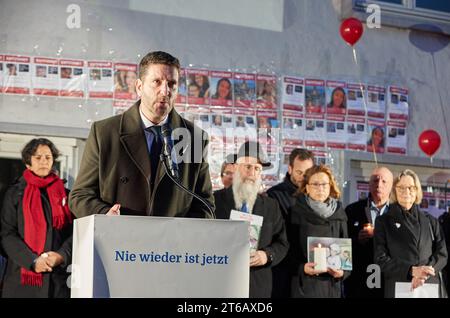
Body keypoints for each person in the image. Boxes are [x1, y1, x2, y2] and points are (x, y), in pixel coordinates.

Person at [69, 51, 214, 218]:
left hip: (171, 242)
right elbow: (79, 196)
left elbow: (205, 204)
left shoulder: (194, 138)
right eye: (157, 82)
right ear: (139, 87)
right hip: (119, 237)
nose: (165, 91)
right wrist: (105, 214)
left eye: (172, 83)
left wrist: (180, 235)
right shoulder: (105, 132)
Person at [214, 141, 289, 298]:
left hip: (257, 287)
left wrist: (266, 255)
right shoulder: (215, 201)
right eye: (247, 166)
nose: (252, 173)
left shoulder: (271, 206)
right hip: (222, 283)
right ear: (235, 167)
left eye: (257, 168)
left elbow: (282, 243)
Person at [0, 138, 73, 298]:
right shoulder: (15, 194)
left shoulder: (65, 195)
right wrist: (33, 262)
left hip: (57, 281)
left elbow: (75, 233)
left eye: (48, 157)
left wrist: (62, 256)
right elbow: (7, 234)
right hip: (22, 279)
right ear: (28, 163)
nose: (43, 161)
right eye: (38, 157)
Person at [374, 169, 448, 298]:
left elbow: (442, 254)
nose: (406, 192)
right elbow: (381, 259)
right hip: (400, 288)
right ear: (395, 191)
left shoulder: (431, 221)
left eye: (411, 187)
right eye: (401, 187)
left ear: (417, 190)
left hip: (428, 288)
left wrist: (423, 274)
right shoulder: (383, 221)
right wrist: (412, 271)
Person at [290, 164, 349, 298]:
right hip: (305, 287)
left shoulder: (340, 214)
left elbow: (347, 253)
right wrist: (302, 268)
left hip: (332, 288)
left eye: (324, 184)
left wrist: (343, 272)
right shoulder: (296, 213)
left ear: (330, 186)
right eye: (315, 184)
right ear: (307, 187)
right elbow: (288, 251)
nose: (320, 188)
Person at [344, 166, 393, 298]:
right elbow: (342, 241)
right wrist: (357, 239)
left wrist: (379, 236)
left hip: (387, 282)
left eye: (384, 181)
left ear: (391, 186)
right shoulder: (352, 210)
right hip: (358, 282)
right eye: (375, 180)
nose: (379, 185)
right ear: (369, 184)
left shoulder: (398, 214)